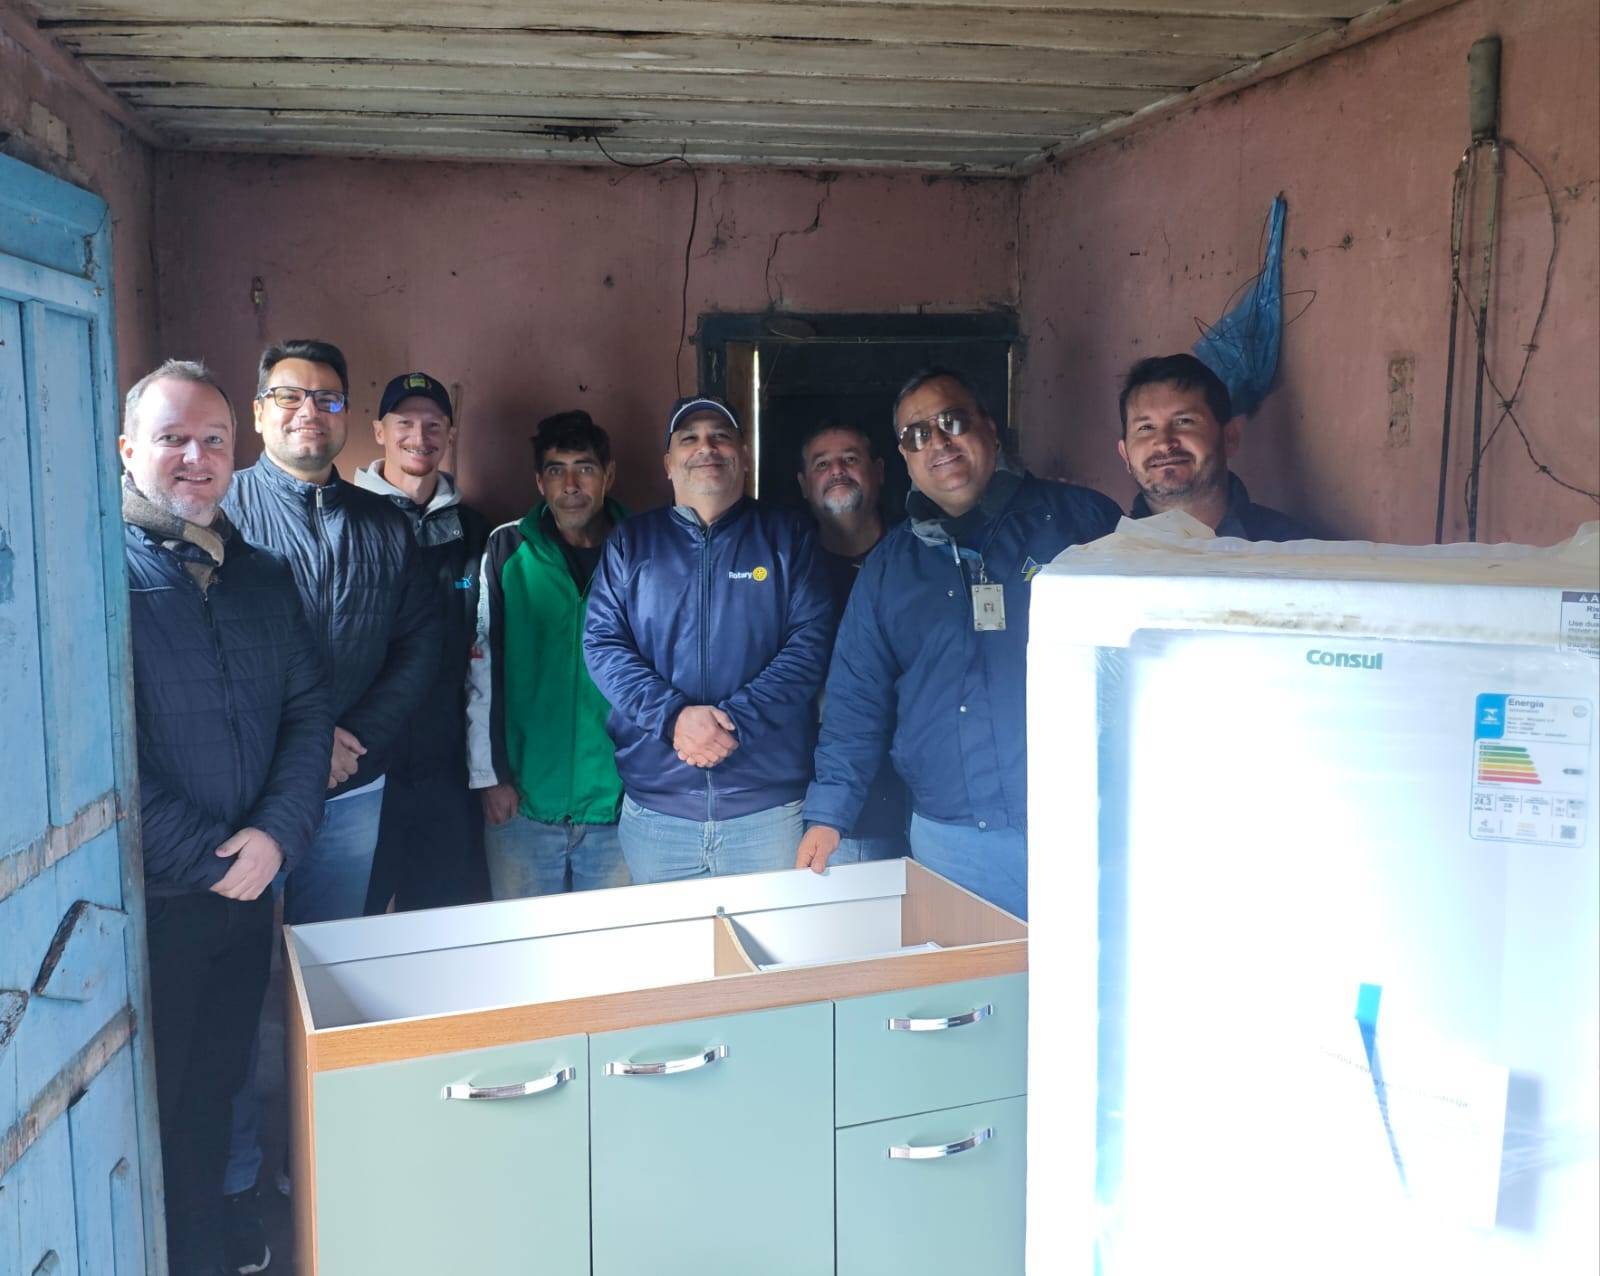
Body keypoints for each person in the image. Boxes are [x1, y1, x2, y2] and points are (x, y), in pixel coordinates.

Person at [219, 338, 440, 1254]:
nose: (309, 411)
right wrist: (297, 755)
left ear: (348, 416)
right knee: (237, 992)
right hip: (246, 804)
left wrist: (351, 743)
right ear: (260, 411)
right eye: (289, 396)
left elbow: (420, 647)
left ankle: (320, 1157)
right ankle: (239, 1181)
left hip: (350, 792)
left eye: (327, 398)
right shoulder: (224, 509)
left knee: (325, 985)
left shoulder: (387, 525)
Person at [120, 360, 330, 1276]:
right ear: (128, 451)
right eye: (172, 439)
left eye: (212, 440)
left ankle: (203, 1250)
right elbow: (97, 754)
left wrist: (276, 835)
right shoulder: (100, 575)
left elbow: (307, 713)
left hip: (248, 891)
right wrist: (212, 859)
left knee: (216, 1089)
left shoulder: (260, 576)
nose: (195, 458)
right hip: (154, 900)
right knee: (149, 1108)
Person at [797, 368, 1121, 919]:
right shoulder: (889, 568)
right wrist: (829, 815)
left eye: (952, 421)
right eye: (917, 434)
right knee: (976, 976)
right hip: (955, 842)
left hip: (1086, 820)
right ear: (904, 458)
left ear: (989, 428)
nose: (939, 442)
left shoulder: (1080, 523)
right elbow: (855, 702)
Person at [585, 395, 834, 883]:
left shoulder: (787, 537)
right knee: (669, 939)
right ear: (668, 464)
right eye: (690, 438)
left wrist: (735, 721)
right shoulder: (631, 543)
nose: (707, 448)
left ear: (744, 455)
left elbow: (810, 645)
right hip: (658, 814)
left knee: (771, 936)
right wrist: (674, 718)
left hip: (768, 813)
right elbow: (602, 644)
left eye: (720, 436)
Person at [467, 410, 630, 897]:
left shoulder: (642, 547)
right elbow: (481, 668)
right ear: (540, 481)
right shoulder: (508, 547)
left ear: (608, 476)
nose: (571, 485)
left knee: (616, 944)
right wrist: (490, 777)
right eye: (557, 470)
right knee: (523, 941)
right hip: (522, 803)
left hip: (619, 805)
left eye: (585, 468)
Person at [354, 371, 491, 912]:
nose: (419, 436)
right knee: (352, 922)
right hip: (363, 762)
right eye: (404, 423)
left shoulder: (476, 531)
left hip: (446, 764)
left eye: (433, 425)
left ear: (450, 436)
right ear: (379, 432)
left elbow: (486, 649)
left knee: (439, 922)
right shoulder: (348, 518)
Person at [794, 420, 909, 861]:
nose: (837, 471)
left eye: (850, 459)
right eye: (822, 464)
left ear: (879, 471)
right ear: (804, 485)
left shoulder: (917, 555)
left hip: (915, 791)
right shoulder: (789, 566)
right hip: (820, 797)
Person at [1118, 353, 1314, 540]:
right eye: (1146, 427)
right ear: (1125, 454)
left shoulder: (1292, 547)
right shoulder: (1105, 553)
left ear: (1229, 437)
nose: (1164, 443)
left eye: (1184, 421)